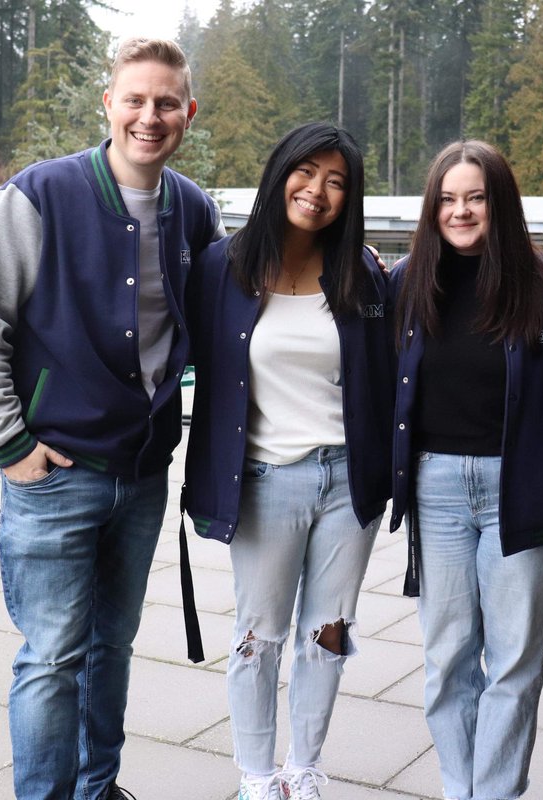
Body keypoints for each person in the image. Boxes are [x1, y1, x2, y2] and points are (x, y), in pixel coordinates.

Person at [0, 37, 222, 800]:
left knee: (112, 650)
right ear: (109, 104)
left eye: (167, 102)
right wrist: (11, 445)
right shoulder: (39, 196)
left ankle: (99, 789)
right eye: (135, 98)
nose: (150, 115)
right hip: (54, 477)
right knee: (51, 657)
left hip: (141, 479)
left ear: (187, 113)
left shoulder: (195, 210)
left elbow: (232, 314)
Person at [182, 122, 393, 800]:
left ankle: (303, 770)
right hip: (266, 481)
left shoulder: (361, 273)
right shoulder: (222, 267)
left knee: (326, 635)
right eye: (308, 173)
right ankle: (256, 777)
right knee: (258, 636)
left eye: (337, 182)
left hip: (347, 483)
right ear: (280, 175)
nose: (319, 190)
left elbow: (388, 375)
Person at [388, 140, 543, 800]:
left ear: (501, 204)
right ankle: (461, 790)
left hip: (521, 487)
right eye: (447, 199)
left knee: (515, 660)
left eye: (477, 197)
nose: (461, 211)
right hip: (435, 488)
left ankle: (495, 794)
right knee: (448, 657)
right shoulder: (406, 283)